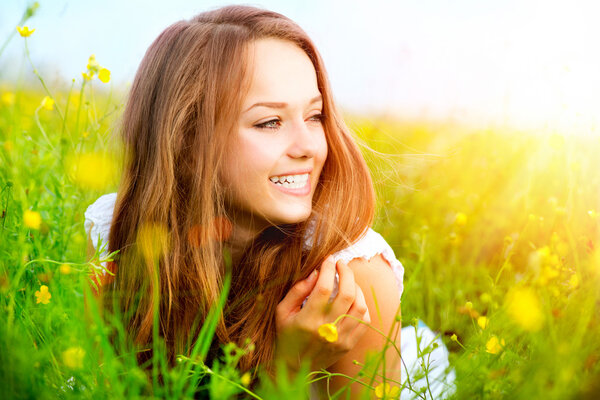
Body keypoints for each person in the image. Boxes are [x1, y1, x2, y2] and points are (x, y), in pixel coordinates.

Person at [84, 5, 455, 398]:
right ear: (188, 143)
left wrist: (292, 371)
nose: (309, 146)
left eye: (315, 116)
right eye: (269, 122)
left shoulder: (354, 276)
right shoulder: (118, 233)